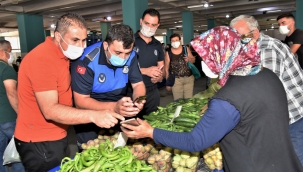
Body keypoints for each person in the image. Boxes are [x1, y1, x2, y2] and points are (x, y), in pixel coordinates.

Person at [121, 26, 303, 172]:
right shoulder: (268, 75)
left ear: (220, 54)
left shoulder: (227, 99)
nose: (204, 62)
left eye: (206, 57)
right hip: (285, 162)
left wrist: (151, 132)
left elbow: (196, 141)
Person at [14, 13, 124, 172]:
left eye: (84, 40)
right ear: (58, 36)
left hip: (56, 135)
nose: (81, 45)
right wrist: (93, 115)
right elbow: (50, 110)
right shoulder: (43, 59)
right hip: (40, 141)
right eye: (75, 40)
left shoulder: (63, 56)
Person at [230, 14, 303, 165]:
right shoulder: (252, 47)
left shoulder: (267, 49)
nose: (237, 41)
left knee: (295, 161)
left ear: (255, 33)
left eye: (240, 36)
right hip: (283, 113)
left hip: (293, 115)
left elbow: (264, 89)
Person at [70, 24, 146, 146]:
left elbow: (138, 84)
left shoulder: (131, 56)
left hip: (118, 108)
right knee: (90, 153)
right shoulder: (86, 60)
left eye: (127, 53)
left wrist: (138, 100)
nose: (123, 58)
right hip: (91, 112)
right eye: (118, 52)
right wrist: (114, 107)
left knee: (120, 150)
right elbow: (81, 101)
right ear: (106, 45)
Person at [133, 8, 164, 118]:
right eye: (147, 23)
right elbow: (121, 68)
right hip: (134, 92)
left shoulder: (158, 45)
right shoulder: (131, 41)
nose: (149, 27)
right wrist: (145, 71)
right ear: (141, 21)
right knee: (134, 125)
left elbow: (162, 67)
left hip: (153, 92)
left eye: (153, 25)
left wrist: (159, 76)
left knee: (152, 124)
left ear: (157, 26)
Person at [0, 40, 25, 172]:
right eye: (9, 51)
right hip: (8, 118)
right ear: (2, 52)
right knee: (19, 152)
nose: (10, 54)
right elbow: (11, 93)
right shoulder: (6, 69)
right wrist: (21, 113)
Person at [165, 33, 195, 100]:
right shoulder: (168, 53)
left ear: (180, 41)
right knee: (178, 101)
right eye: (173, 41)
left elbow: (193, 60)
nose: (175, 42)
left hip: (189, 79)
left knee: (188, 101)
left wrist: (189, 59)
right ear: (170, 42)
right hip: (176, 80)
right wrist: (168, 83)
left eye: (176, 40)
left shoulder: (185, 49)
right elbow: (166, 69)